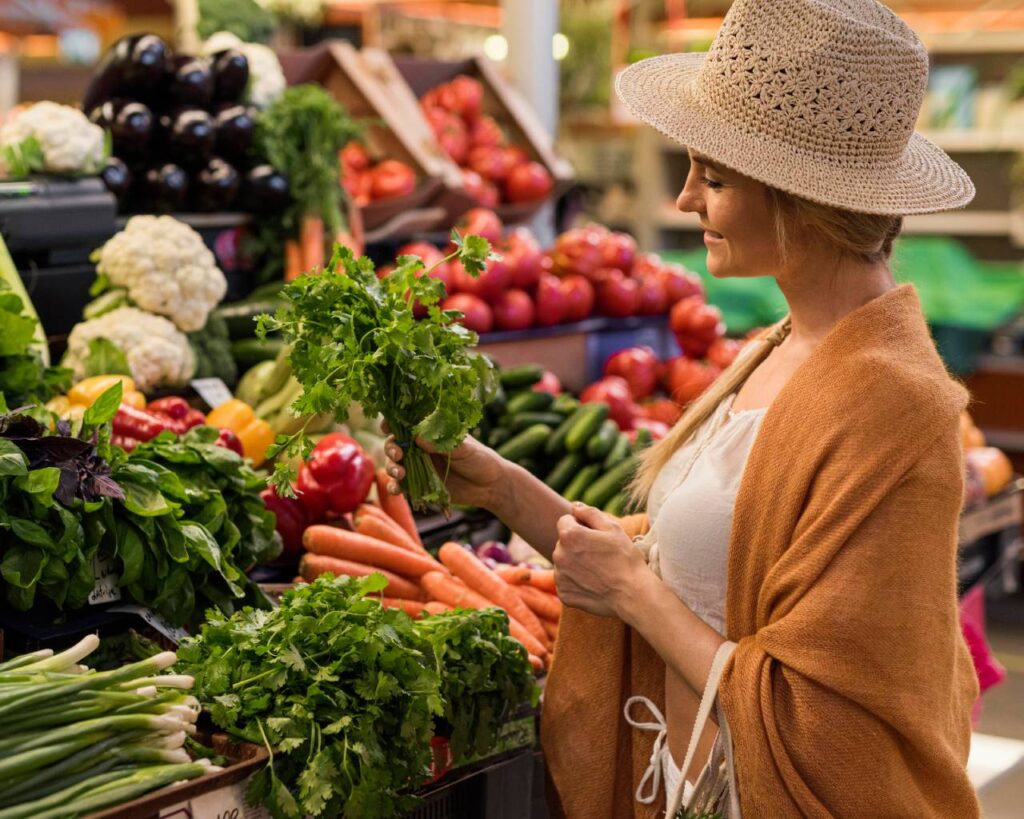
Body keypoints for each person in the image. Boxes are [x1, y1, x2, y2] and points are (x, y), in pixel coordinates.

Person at [386, 0, 981, 815]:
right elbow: (692, 564)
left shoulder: (895, 407)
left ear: (798, 197)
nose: (686, 199)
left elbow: (831, 722)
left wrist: (632, 593)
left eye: (717, 175)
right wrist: (501, 488)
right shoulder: (782, 343)